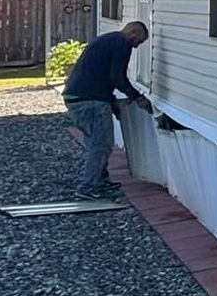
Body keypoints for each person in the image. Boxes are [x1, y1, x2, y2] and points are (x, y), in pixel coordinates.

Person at [63, 22, 152, 199]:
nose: (136, 46)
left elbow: (102, 76)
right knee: (101, 144)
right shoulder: (122, 42)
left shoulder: (106, 39)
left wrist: (112, 102)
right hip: (90, 101)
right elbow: (117, 77)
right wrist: (137, 97)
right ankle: (88, 187)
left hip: (77, 97)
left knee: (94, 142)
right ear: (132, 32)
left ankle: (100, 180)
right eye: (138, 42)